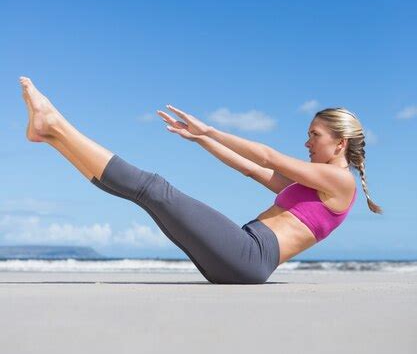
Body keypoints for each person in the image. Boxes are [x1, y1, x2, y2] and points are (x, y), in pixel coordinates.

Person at [19, 76, 382, 284]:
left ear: (340, 142)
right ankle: (52, 136)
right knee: (147, 196)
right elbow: (252, 168)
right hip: (243, 256)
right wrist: (202, 139)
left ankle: (56, 124)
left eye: (314, 135)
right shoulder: (315, 188)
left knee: (154, 189)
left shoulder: (339, 182)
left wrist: (213, 128)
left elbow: (268, 156)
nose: (306, 142)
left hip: (250, 255)